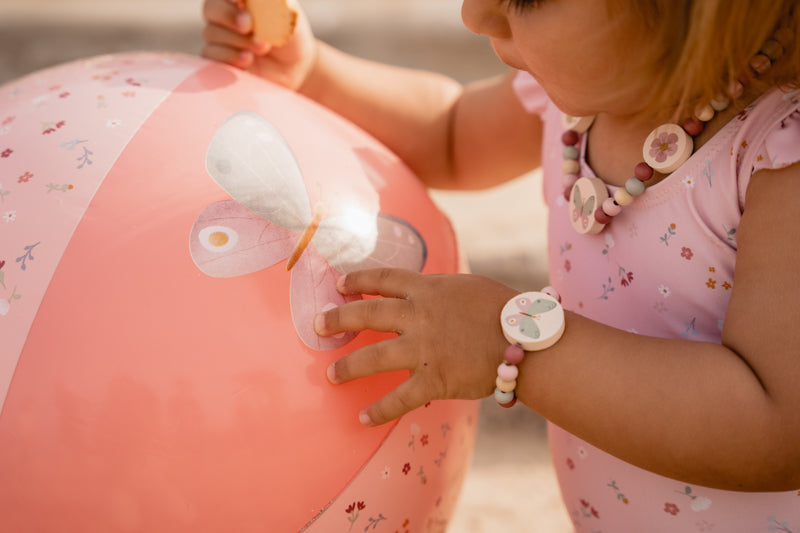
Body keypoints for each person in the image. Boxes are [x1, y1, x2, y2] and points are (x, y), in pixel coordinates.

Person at [202, 0, 800, 530]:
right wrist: (313, 71)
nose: (475, 14)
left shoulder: (778, 157)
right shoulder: (582, 100)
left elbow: (776, 425)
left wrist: (509, 342)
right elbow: (450, 132)